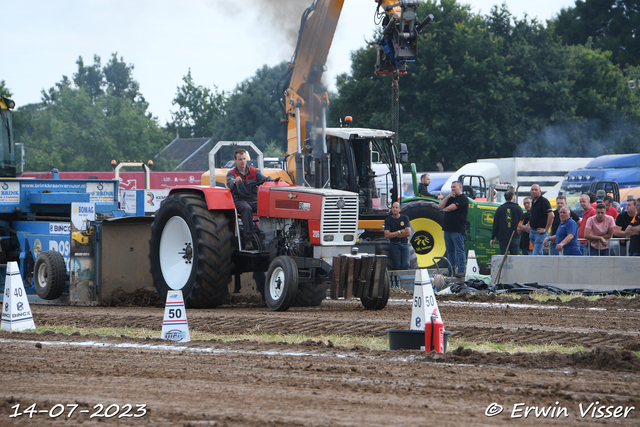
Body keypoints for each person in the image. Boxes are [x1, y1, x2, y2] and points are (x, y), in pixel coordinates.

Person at [226, 148, 275, 248]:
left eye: (244, 158)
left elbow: (265, 179)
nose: (242, 161)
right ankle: (248, 239)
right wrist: (235, 181)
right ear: (235, 160)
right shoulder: (232, 173)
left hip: (253, 200)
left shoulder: (254, 172)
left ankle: (270, 234)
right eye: (240, 159)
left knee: (268, 206)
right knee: (246, 208)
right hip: (239, 200)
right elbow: (230, 183)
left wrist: (274, 181)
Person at [438, 181, 469, 278]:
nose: (452, 189)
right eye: (451, 187)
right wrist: (447, 197)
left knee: (459, 250)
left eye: (454, 187)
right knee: (450, 251)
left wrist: (443, 209)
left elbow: (450, 208)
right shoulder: (450, 198)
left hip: (457, 229)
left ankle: (461, 270)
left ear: (460, 187)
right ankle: (451, 270)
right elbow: (440, 206)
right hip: (448, 228)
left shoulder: (463, 199)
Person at [490, 190, 522, 255]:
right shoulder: (518, 208)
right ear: (513, 197)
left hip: (503, 237)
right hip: (515, 237)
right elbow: (522, 223)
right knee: (514, 258)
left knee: (503, 258)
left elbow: (495, 225)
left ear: (505, 198)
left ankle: (504, 265)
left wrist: (493, 238)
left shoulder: (500, 209)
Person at [383, 202, 412, 270]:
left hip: (405, 244)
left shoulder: (405, 218)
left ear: (399, 210)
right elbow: (386, 235)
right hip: (394, 244)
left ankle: (405, 278)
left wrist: (393, 235)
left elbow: (408, 233)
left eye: (396, 208)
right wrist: (400, 231)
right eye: (393, 207)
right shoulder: (388, 220)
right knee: (398, 265)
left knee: (406, 264)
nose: (394, 209)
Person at [528, 184, 553, 255]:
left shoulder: (544, 201)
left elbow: (551, 215)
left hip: (540, 233)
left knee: (536, 254)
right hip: (532, 231)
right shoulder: (533, 202)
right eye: (532, 190)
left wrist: (546, 229)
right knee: (538, 253)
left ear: (540, 191)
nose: (534, 191)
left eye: (536, 190)